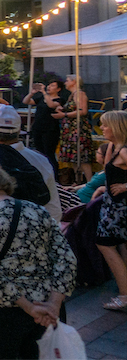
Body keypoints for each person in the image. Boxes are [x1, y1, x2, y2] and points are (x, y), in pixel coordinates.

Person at [0, 158, 76, 359]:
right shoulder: (38, 210)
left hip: (0, 312)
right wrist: (54, 304)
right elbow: (67, 258)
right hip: (46, 307)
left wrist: (28, 307)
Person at [94, 110, 127, 311]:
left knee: (105, 244)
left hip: (119, 208)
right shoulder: (117, 147)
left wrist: (125, 186)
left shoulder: (124, 151)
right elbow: (108, 171)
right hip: (113, 205)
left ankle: (125, 295)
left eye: (105, 125)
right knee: (122, 246)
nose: (102, 128)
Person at [53, 75, 94, 181]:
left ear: (74, 82)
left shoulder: (79, 94)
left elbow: (83, 111)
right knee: (74, 158)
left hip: (77, 129)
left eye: (67, 81)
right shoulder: (73, 95)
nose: (65, 83)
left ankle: (89, 182)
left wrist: (64, 115)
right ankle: (77, 180)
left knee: (82, 157)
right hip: (71, 129)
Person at [22, 78, 68, 169]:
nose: (49, 87)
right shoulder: (41, 98)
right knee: (39, 152)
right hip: (38, 127)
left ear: (58, 89)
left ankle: (54, 173)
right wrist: (32, 93)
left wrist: (44, 92)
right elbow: (26, 101)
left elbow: (51, 105)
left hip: (50, 129)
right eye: (49, 85)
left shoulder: (60, 99)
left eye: (52, 86)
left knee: (49, 152)